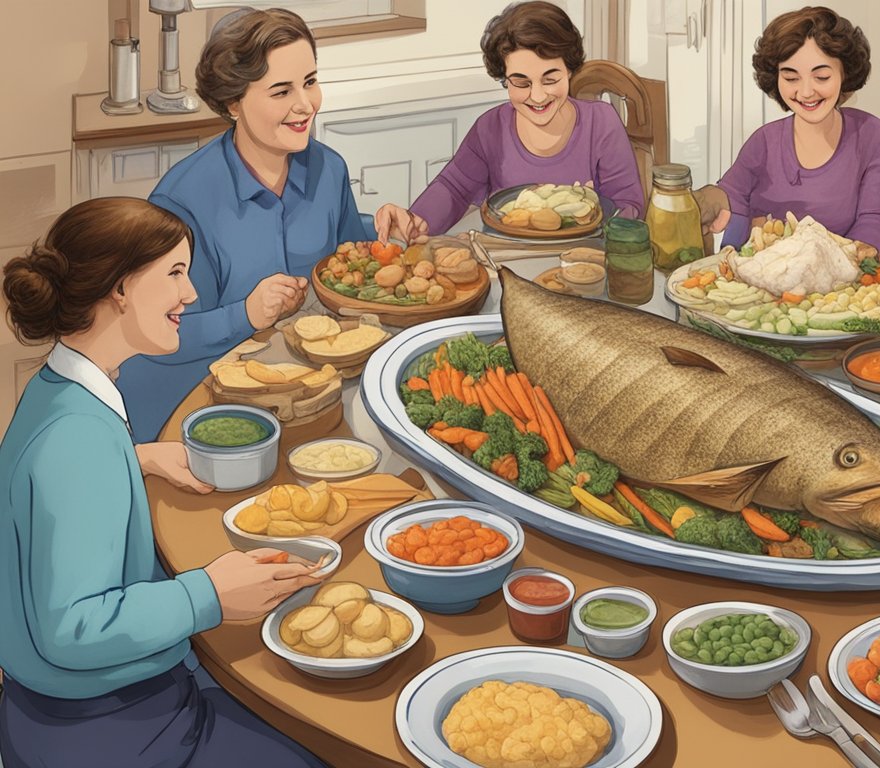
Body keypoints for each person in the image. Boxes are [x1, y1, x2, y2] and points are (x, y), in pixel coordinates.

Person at [0, 197, 327, 767]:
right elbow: (72, 628)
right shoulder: (78, 439)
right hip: (106, 731)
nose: (191, 294)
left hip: (65, 713)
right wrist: (211, 593)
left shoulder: (60, 396)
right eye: (175, 273)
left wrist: (137, 458)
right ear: (120, 289)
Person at [114, 8, 373, 444]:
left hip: (301, 393)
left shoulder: (328, 169)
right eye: (281, 91)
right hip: (192, 403)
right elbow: (157, 335)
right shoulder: (183, 201)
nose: (305, 105)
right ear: (233, 102)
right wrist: (245, 314)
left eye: (310, 82)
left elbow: (353, 267)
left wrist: (386, 237)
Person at [375, 0, 645, 239]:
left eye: (550, 79)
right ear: (504, 78)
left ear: (570, 71)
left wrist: (595, 210)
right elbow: (454, 188)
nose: (538, 96)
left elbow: (628, 203)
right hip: (506, 265)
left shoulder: (601, 122)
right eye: (521, 82)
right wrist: (415, 220)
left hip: (585, 265)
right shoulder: (490, 129)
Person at [692, 6, 880, 249]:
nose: (806, 92)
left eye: (821, 77)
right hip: (760, 278)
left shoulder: (869, 134)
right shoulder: (764, 141)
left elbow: (878, 218)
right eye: (791, 78)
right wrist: (712, 203)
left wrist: (850, 258)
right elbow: (731, 198)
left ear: (845, 74)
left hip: (843, 281)